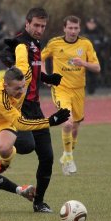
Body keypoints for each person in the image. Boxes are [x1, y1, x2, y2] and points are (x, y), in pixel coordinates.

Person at [0, 7, 64, 213]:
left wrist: (47, 78)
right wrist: (13, 65)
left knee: (48, 157)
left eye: (43, 26)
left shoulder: (36, 44)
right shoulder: (19, 42)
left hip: (35, 107)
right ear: (27, 24)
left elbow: (31, 71)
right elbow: (5, 55)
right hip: (19, 107)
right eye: (36, 25)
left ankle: (39, 202)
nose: (40, 29)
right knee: (25, 146)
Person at [0, 67, 70, 205]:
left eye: (23, 87)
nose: (21, 92)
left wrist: (21, 45)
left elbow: (22, 51)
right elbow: (21, 123)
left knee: (3, 147)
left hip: (5, 122)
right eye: (17, 89)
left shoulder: (23, 74)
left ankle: (4, 162)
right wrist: (50, 121)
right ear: (5, 85)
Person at [41, 15, 101, 176]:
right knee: (67, 123)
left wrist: (84, 63)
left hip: (79, 90)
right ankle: (68, 157)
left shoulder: (85, 44)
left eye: (76, 28)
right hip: (61, 89)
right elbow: (39, 58)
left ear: (79, 29)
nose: (73, 31)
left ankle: (67, 155)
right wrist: (45, 75)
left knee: (75, 127)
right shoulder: (55, 43)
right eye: (70, 28)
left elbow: (97, 67)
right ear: (64, 28)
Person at [81, 17, 107, 95]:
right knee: (82, 75)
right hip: (83, 58)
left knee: (93, 76)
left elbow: (104, 45)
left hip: (95, 58)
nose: (91, 25)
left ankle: (91, 91)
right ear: (87, 24)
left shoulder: (100, 35)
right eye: (90, 23)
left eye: (93, 24)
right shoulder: (82, 34)